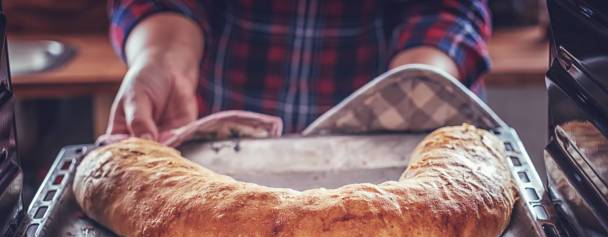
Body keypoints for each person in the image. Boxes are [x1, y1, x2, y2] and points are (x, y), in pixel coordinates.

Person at [107, 0, 491, 138]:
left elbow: (445, 9)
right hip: (207, 138)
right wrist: (161, 58)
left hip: (389, 140)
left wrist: (419, 89)